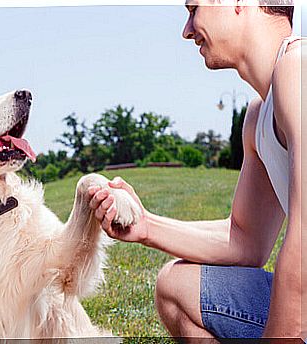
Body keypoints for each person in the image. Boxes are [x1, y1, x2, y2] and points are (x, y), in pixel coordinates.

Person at [88, 0, 302, 340]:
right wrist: (146, 226)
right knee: (176, 286)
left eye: (193, 9)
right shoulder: (258, 115)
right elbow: (245, 241)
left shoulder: (299, 69)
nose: (187, 31)